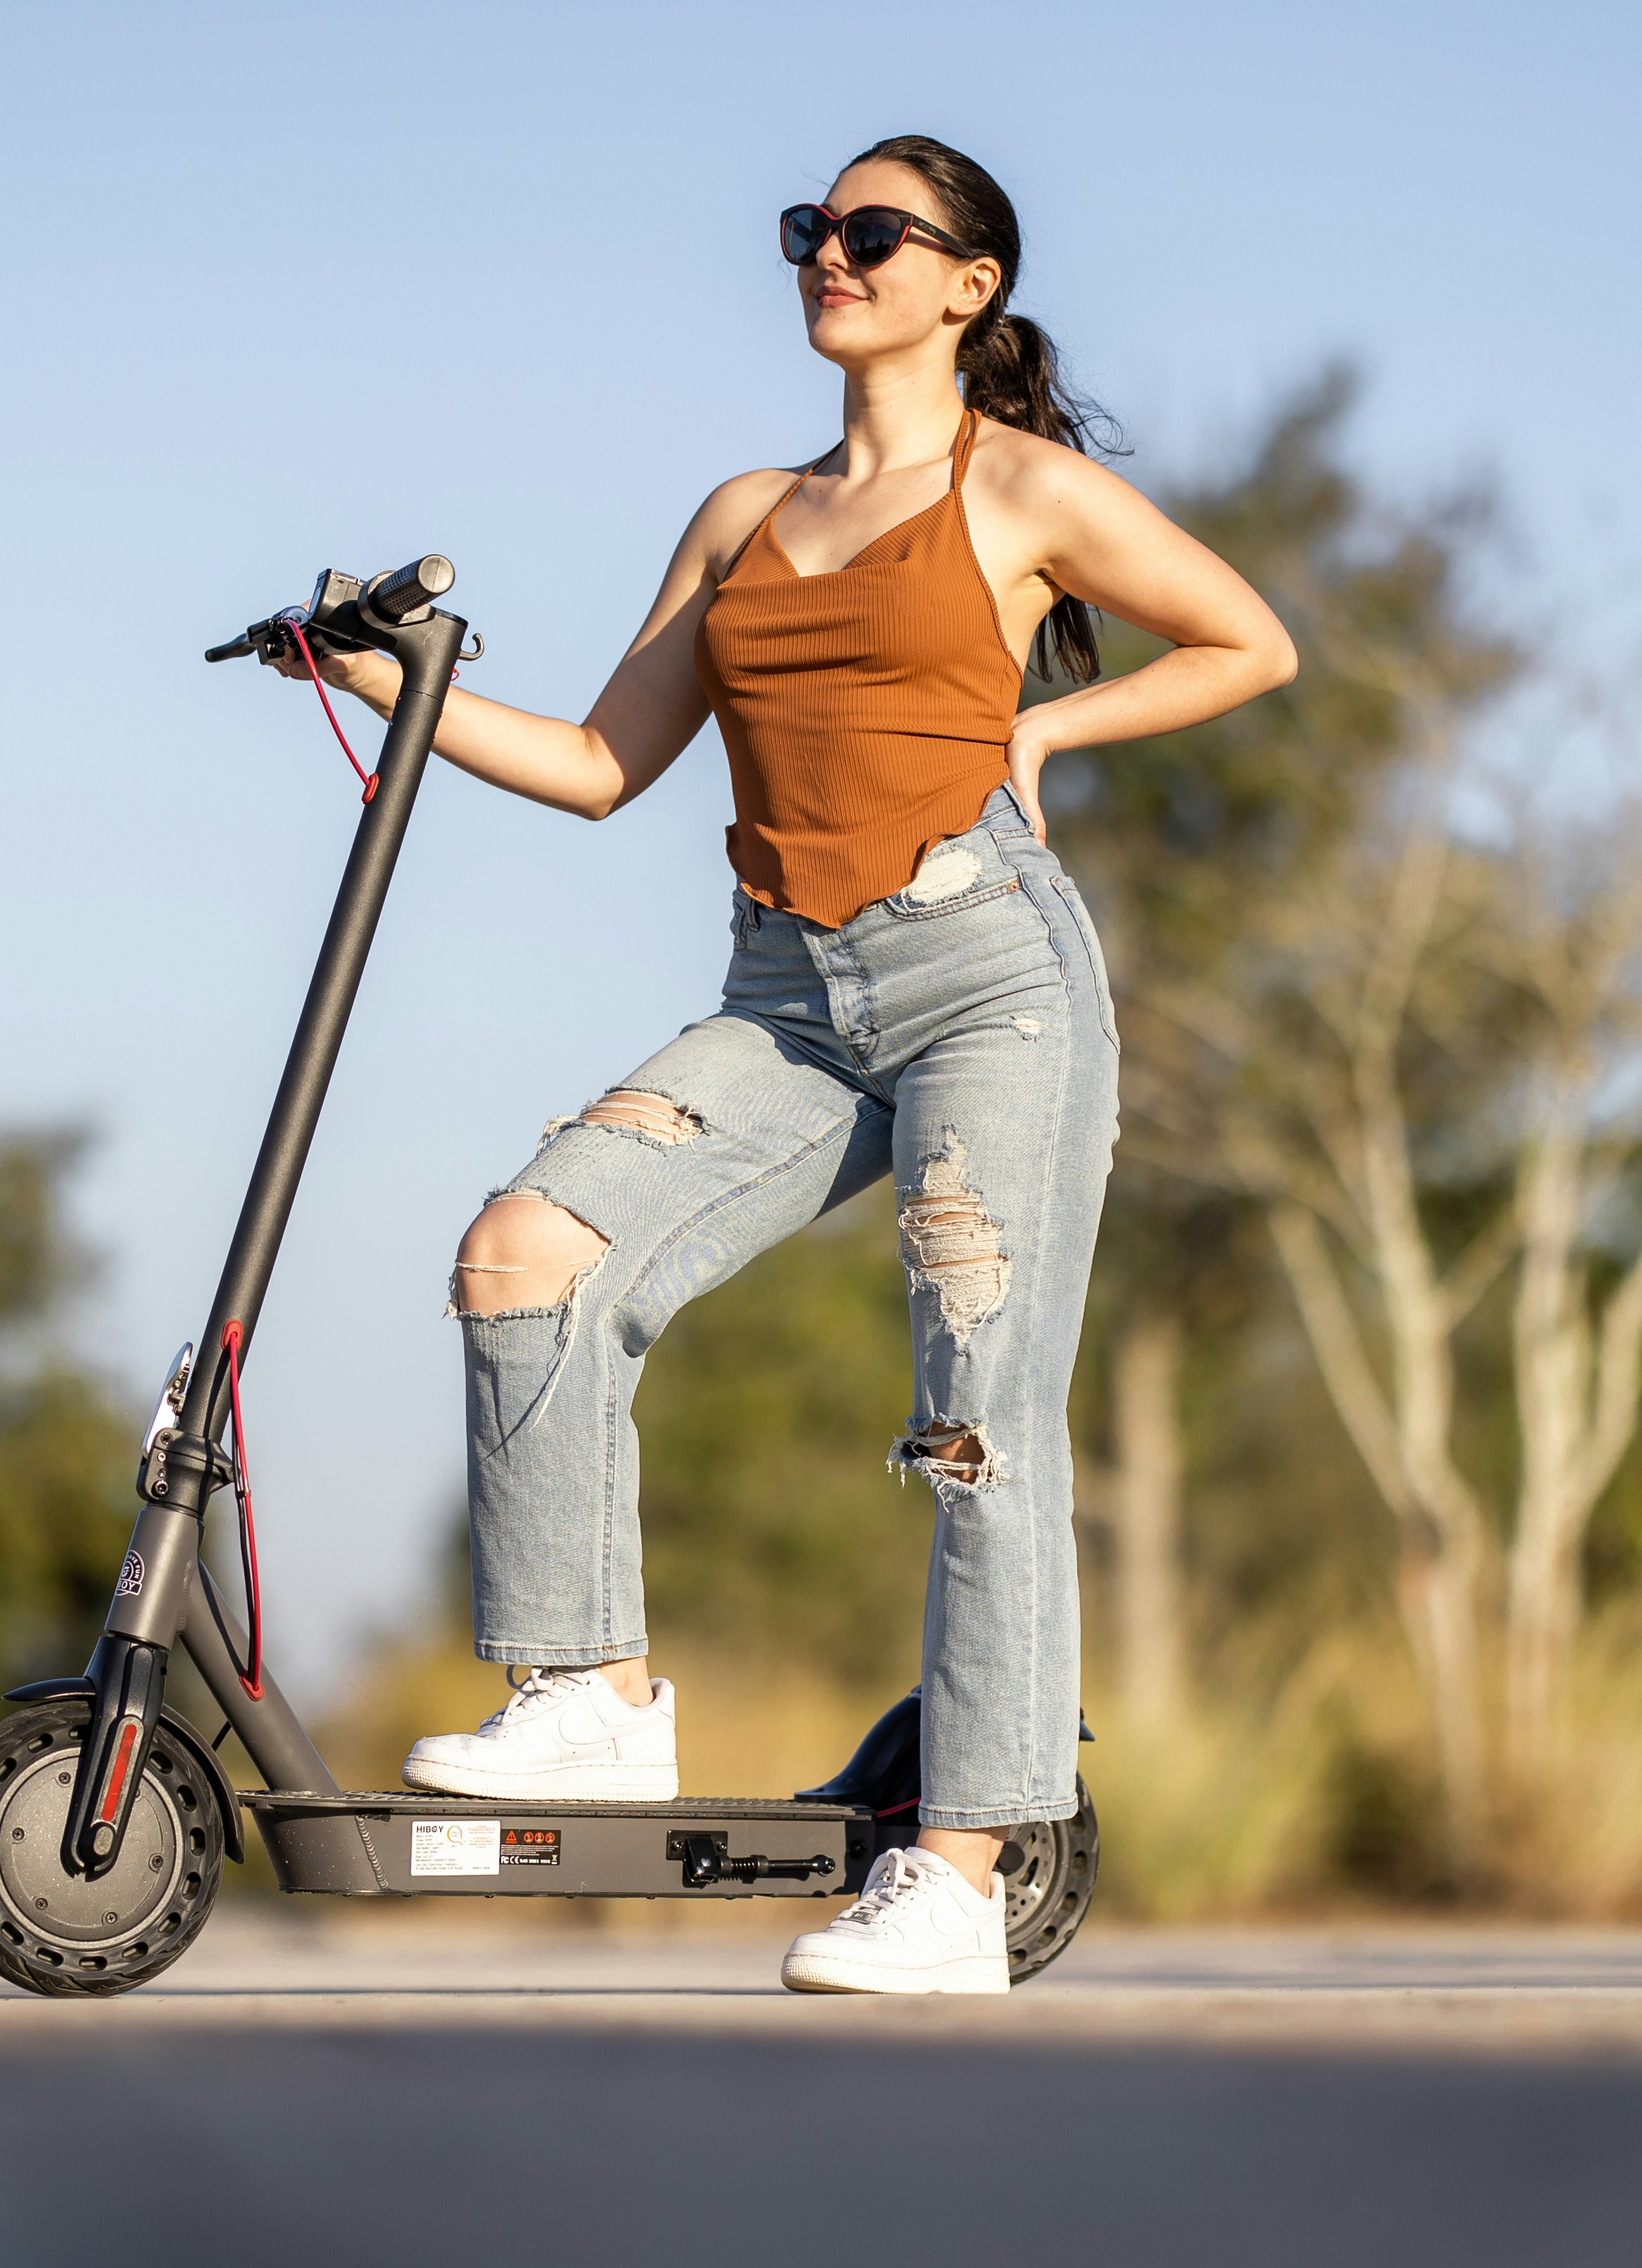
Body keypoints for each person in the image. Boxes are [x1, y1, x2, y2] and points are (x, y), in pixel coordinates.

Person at [272, 134, 1292, 1992]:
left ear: (964, 284)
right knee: (529, 1254)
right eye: (810, 230)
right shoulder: (744, 513)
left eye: (872, 233)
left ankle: (963, 1879)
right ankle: (584, 1689)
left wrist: (1052, 739)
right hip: (784, 997)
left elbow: (1249, 641)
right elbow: (599, 766)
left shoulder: (1023, 491)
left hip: (988, 977)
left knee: (975, 1414)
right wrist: (380, 680)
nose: (831, 253)